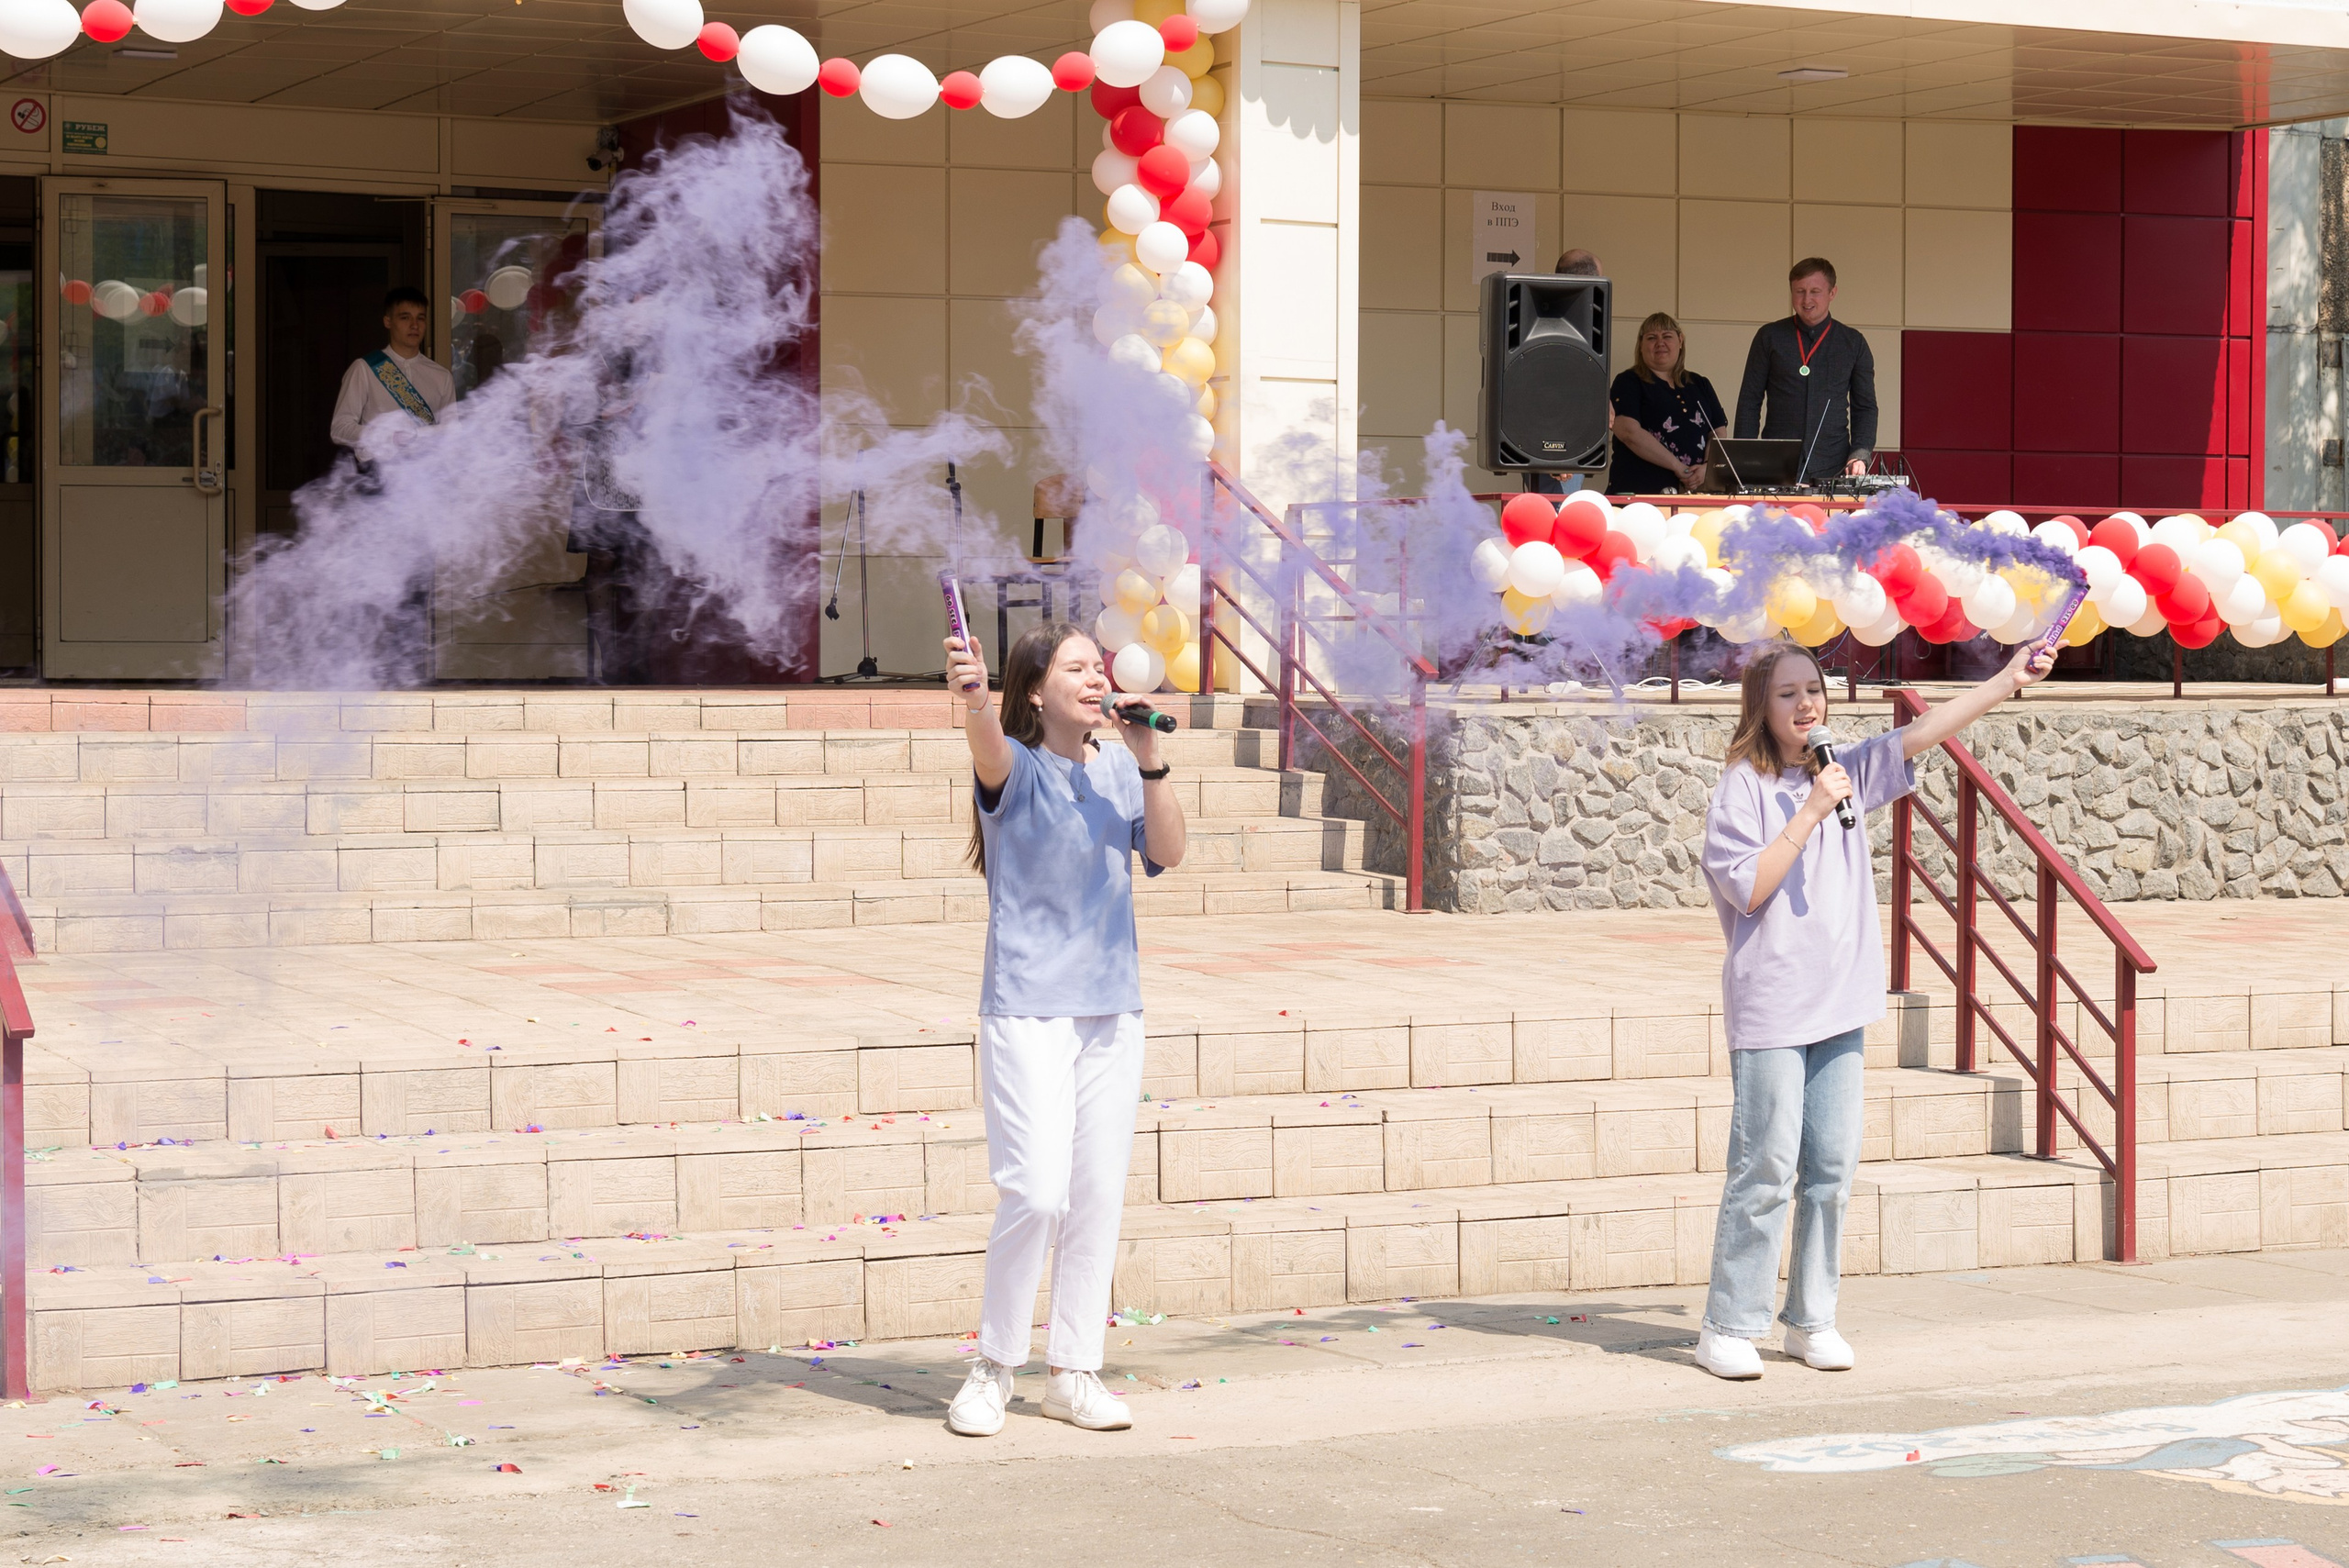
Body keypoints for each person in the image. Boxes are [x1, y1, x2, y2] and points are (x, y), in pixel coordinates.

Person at [1694, 635, 2054, 1381]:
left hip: (1840, 1001)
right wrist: (1811, 810)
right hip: (1773, 1006)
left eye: (1814, 690)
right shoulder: (1744, 786)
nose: (1806, 704)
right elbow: (1748, 887)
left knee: (1831, 1167)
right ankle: (1728, 1324)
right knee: (1766, 1165)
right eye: (1788, 693)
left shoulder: (1847, 768)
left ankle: (1811, 1319)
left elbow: (1925, 731)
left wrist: (2007, 679)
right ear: (1761, 705)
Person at [941, 620, 1187, 1438]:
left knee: (1095, 1197)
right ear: (1036, 691)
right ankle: (994, 1364)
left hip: (1111, 1009)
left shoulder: (1119, 767)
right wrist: (975, 699)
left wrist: (1150, 758)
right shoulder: (1016, 768)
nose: (1095, 678)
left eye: (1098, 666)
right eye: (1075, 667)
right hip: (1028, 1009)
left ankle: (1074, 1371)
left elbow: (1169, 851)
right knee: (1038, 1190)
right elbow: (986, 743)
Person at [1733, 258, 1877, 484]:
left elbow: (1865, 407)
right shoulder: (1769, 337)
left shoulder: (1853, 342)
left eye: (1815, 292)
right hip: (1776, 464)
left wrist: (1860, 454)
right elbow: (1749, 401)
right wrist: (1745, 459)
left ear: (1832, 293)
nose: (1806, 299)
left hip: (1833, 465)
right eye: (1799, 291)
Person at [1608, 311, 1726, 495]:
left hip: (1697, 493)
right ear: (1641, 345)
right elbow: (1628, 432)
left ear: (1680, 341)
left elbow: (1718, 432)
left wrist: (1707, 467)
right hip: (1641, 493)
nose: (1660, 343)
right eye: (1651, 338)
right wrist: (1678, 467)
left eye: (1667, 336)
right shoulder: (1628, 381)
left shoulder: (1700, 383)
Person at [330, 286, 454, 451]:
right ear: (388, 321)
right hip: (378, 466)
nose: (414, 325)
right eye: (405, 318)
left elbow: (452, 432)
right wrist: (388, 437)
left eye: (420, 318)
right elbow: (340, 429)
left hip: (427, 466)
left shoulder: (442, 376)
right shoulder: (365, 368)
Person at [1526, 249, 1607, 496]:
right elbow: (1549, 388)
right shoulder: (1562, 319)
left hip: (1567, 435)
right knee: (1556, 512)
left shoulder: (1551, 313)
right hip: (1556, 438)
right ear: (1590, 278)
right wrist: (1559, 456)